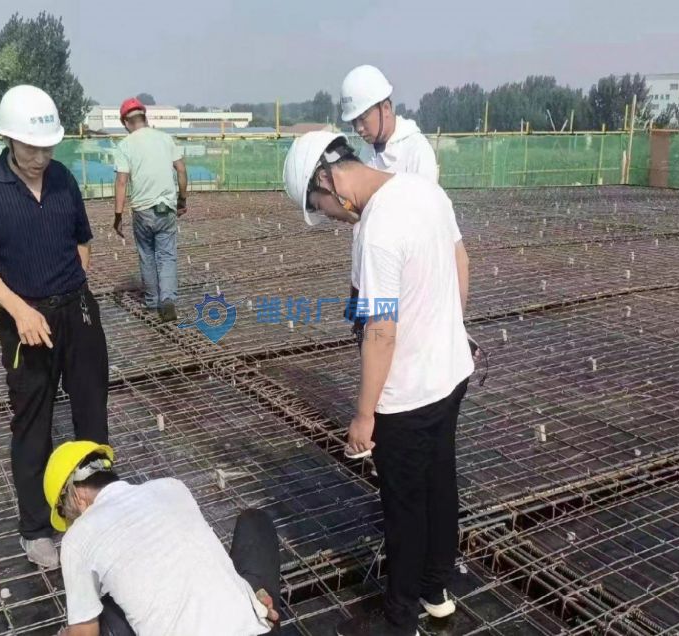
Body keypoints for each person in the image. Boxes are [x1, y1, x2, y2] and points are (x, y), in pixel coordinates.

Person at [283, 133, 474, 636]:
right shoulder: (424, 190)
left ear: (327, 180)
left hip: (406, 395)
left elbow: (381, 330)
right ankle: (436, 591)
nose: (328, 216)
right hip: (451, 373)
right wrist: (449, 332)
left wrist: (364, 414)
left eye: (320, 206)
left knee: (404, 508)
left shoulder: (377, 229)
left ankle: (400, 617)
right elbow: (461, 262)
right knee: (440, 483)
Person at [0, 85, 109, 568]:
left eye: (48, 147)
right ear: (8, 138)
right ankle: (36, 528)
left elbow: (82, 240)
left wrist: (74, 286)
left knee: (92, 417)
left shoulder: (63, 178)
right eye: (31, 148)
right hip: (25, 319)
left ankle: (97, 512)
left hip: (77, 314)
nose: (41, 157)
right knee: (32, 424)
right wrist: (19, 309)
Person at [44, 441, 281, 636]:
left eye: (67, 515)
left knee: (101, 615)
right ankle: (254, 604)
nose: (72, 522)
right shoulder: (171, 486)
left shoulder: (77, 538)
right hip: (257, 630)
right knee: (255, 521)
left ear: (76, 497)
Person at [339, 66, 462, 352]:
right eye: (353, 121)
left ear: (385, 107)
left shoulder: (416, 151)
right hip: (372, 277)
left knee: (399, 354)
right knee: (375, 349)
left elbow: (424, 227)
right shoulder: (368, 154)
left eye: (363, 118)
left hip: (406, 280)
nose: (359, 128)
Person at [112, 97, 188, 321]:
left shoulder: (125, 145)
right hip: (166, 209)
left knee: (147, 255)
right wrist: (182, 200)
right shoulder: (165, 138)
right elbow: (181, 170)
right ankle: (168, 300)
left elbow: (122, 182)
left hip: (142, 211)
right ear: (145, 118)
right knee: (167, 255)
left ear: (125, 123)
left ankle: (153, 301)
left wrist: (118, 216)